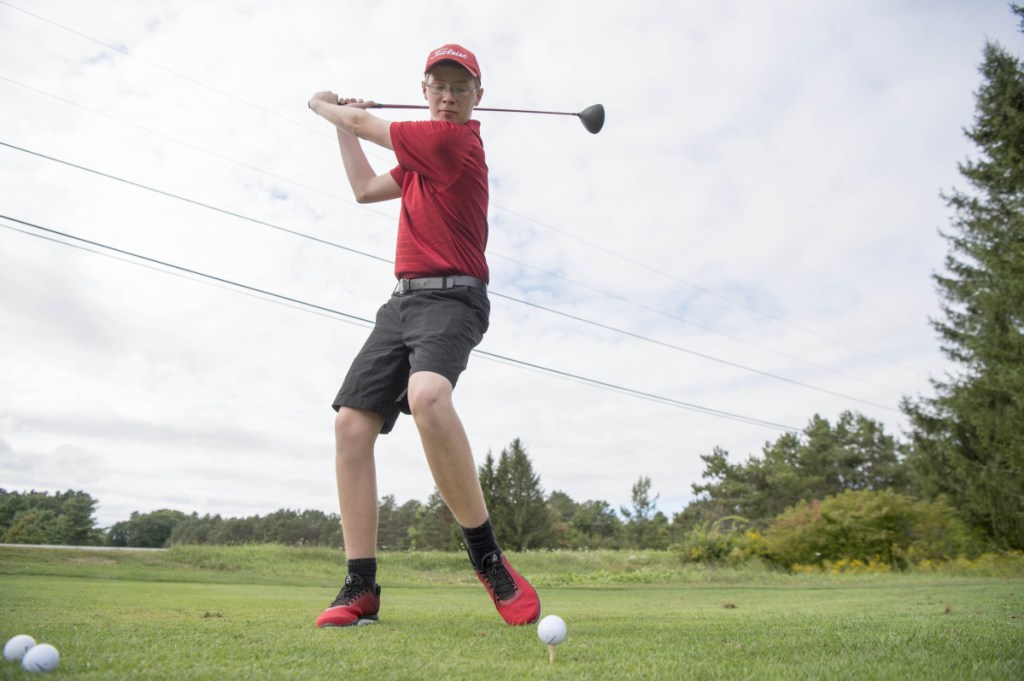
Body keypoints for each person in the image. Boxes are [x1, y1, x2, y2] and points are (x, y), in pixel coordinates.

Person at [307, 44, 541, 628]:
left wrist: (323, 106)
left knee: (428, 395)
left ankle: (488, 558)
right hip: (403, 301)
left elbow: (361, 121)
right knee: (350, 423)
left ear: (477, 98)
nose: (447, 96)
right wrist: (345, 130)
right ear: (424, 88)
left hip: (454, 296)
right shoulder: (419, 157)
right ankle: (360, 586)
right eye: (438, 85)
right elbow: (363, 190)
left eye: (460, 88)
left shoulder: (454, 142)